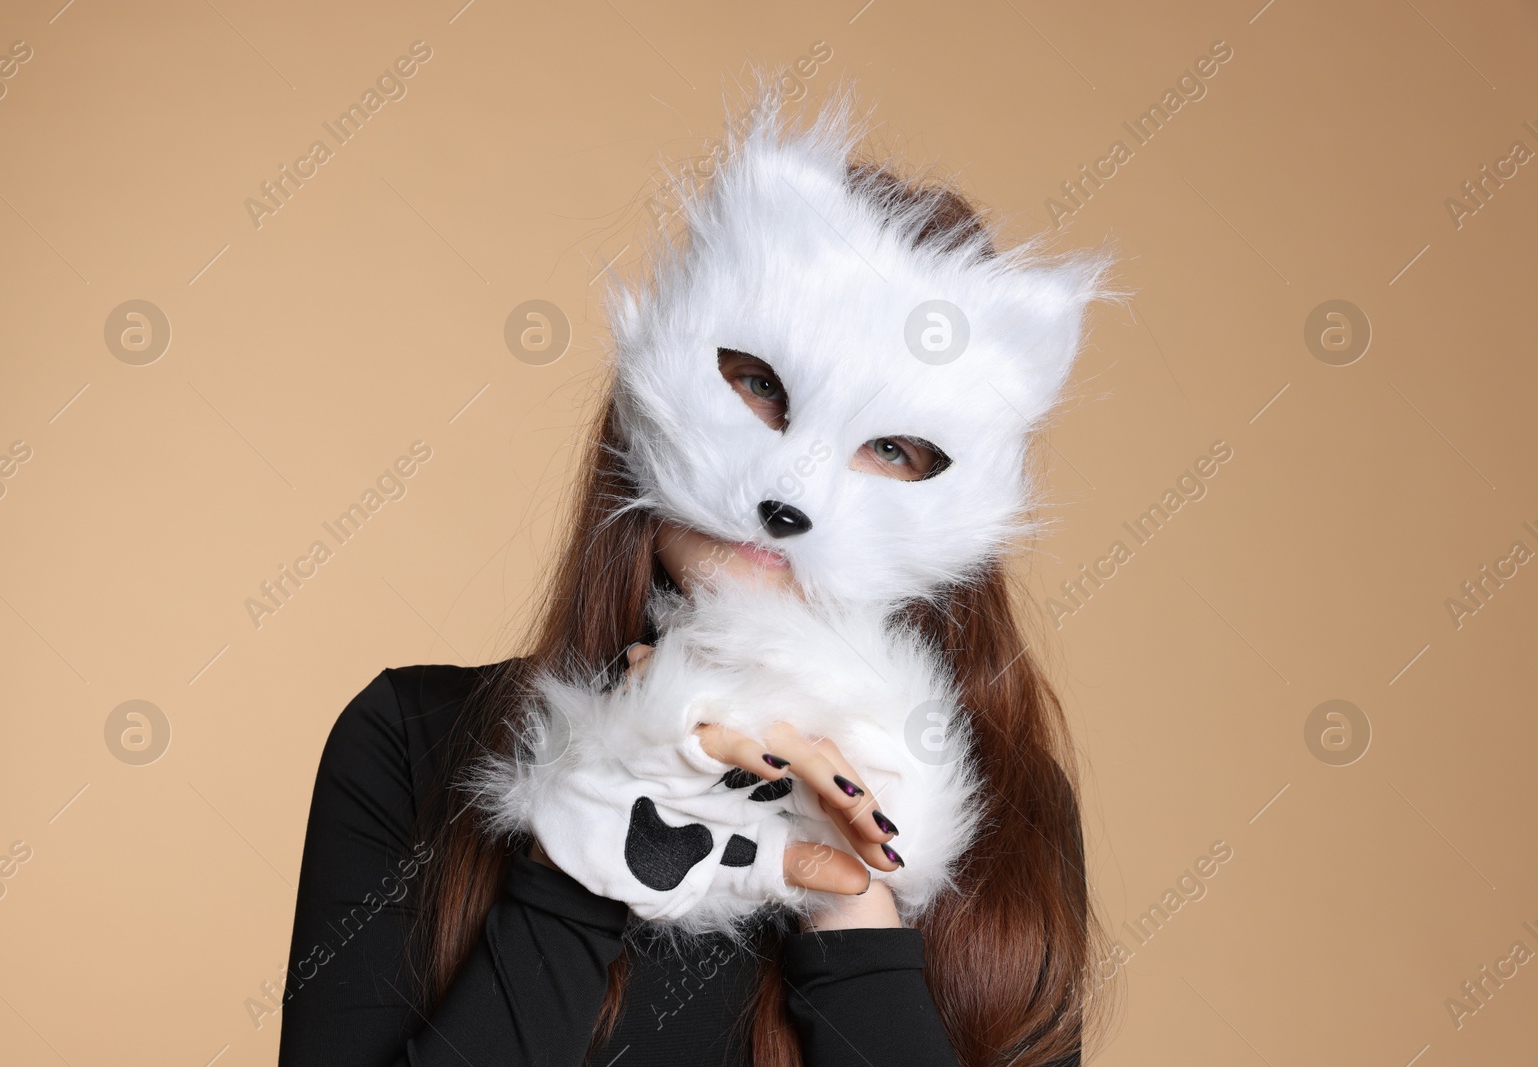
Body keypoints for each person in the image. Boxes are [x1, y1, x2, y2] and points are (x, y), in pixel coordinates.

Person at [277, 78, 1113, 1067]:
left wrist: (854, 905)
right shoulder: (411, 744)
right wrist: (590, 841)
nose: (791, 491)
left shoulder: (1010, 807)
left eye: (890, 446)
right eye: (759, 384)